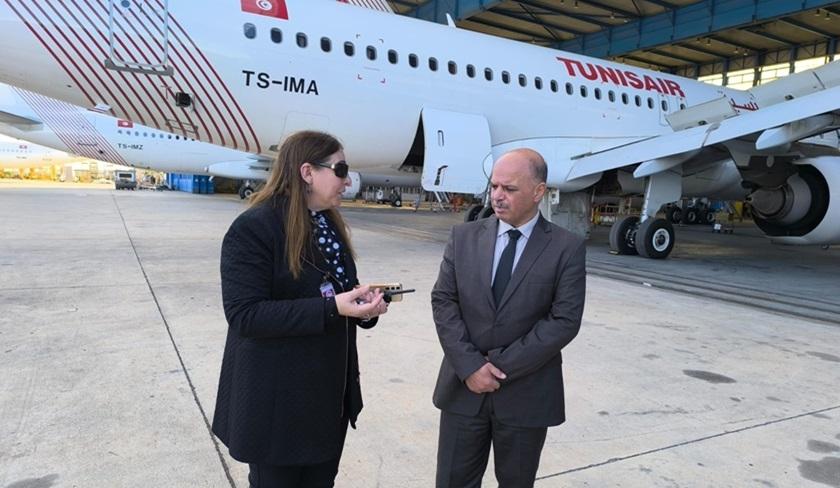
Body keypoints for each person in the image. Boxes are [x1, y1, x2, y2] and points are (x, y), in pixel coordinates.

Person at [212, 131, 388, 488]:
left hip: (326, 404)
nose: (348, 180)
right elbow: (246, 315)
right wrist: (332, 308)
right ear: (307, 172)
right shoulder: (254, 228)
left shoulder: (328, 224)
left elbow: (337, 296)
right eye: (341, 169)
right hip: (279, 409)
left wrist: (363, 309)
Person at [431, 148, 587, 488]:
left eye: (510, 189)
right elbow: (444, 300)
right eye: (494, 187)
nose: (498, 196)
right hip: (463, 389)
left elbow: (564, 320)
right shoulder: (463, 237)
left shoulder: (567, 248)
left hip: (525, 395)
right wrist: (471, 366)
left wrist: (500, 367)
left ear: (538, 191)